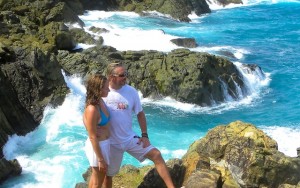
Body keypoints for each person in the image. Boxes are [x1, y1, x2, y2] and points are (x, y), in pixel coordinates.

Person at [103, 63, 175, 188]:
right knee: (108, 175)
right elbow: (91, 115)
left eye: (126, 73)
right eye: (122, 75)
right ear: (111, 77)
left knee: (156, 155)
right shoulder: (103, 93)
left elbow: (140, 114)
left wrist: (145, 135)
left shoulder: (131, 91)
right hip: (111, 143)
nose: (125, 77)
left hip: (129, 138)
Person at [83, 73, 111, 188]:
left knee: (97, 178)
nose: (109, 90)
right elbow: (92, 136)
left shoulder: (100, 101)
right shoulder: (92, 108)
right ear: (98, 89)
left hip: (104, 144)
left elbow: (85, 118)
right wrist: (100, 159)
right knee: (97, 183)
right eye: (106, 87)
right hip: (97, 147)